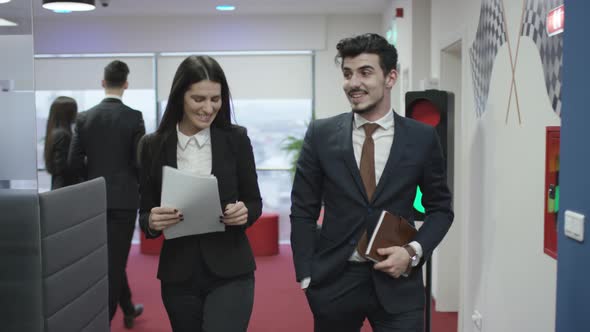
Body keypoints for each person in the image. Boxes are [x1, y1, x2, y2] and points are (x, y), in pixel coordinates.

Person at [290, 33, 454, 332]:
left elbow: (441, 209)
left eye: (365, 72)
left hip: (398, 283)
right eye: (348, 74)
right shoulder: (321, 134)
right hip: (335, 281)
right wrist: (305, 274)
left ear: (390, 77)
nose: (353, 83)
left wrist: (412, 251)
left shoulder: (421, 138)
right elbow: (303, 209)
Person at [138, 55, 262, 332]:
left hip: (231, 269)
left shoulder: (236, 139)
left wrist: (244, 213)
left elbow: (254, 202)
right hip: (178, 274)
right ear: (180, 97)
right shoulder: (152, 145)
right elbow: (145, 212)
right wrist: (151, 222)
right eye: (198, 99)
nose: (208, 108)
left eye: (215, 99)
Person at [68, 60, 145, 327]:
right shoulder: (134, 117)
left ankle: (127, 308)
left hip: (93, 201)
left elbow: (73, 163)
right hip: (124, 201)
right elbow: (139, 162)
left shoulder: (84, 118)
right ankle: (104, 321)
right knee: (114, 264)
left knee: (108, 261)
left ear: (103, 83)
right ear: (126, 83)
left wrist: (92, 179)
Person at [43, 96, 83, 189]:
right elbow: (63, 167)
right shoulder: (63, 135)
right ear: (67, 114)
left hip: (60, 185)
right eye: (74, 111)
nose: (77, 114)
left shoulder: (55, 132)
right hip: (65, 187)